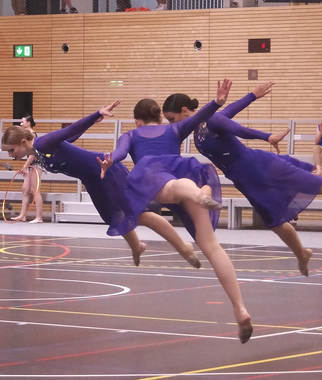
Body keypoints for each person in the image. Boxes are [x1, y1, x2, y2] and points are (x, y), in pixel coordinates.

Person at [100, 79, 253, 343]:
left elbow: (121, 153)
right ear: (159, 117)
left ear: (137, 121)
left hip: (153, 175)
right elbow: (198, 118)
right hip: (182, 170)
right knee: (212, 246)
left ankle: (197, 194)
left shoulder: (131, 135)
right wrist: (217, 102)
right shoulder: (173, 128)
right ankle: (240, 308)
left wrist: (110, 160)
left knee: (171, 189)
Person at [164, 85, 322, 276]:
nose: (172, 124)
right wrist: (252, 95)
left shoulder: (212, 120)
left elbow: (239, 130)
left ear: (184, 111)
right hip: (245, 179)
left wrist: (268, 137)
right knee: (274, 222)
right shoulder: (198, 130)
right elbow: (231, 109)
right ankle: (302, 254)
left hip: (259, 166)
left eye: (172, 119)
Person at [1, 101, 200, 268]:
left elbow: (69, 130)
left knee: (138, 214)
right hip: (92, 179)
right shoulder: (38, 152)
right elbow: (71, 138)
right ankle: (137, 246)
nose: (10, 155)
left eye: (11, 150)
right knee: (113, 217)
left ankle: (184, 247)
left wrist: (96, 114)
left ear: (23, 142)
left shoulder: (42, 143)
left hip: (105, 169)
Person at [12, 115, 43, 223]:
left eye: (22, 122)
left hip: (36, 164)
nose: (21, 124)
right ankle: (22, 215)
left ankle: (39, 217)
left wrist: (25, 166)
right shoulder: (26, 135)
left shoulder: (32, 135)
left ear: (28, 123)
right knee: (25, 189)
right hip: (30, 165)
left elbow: (33, 153)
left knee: (35, 190)